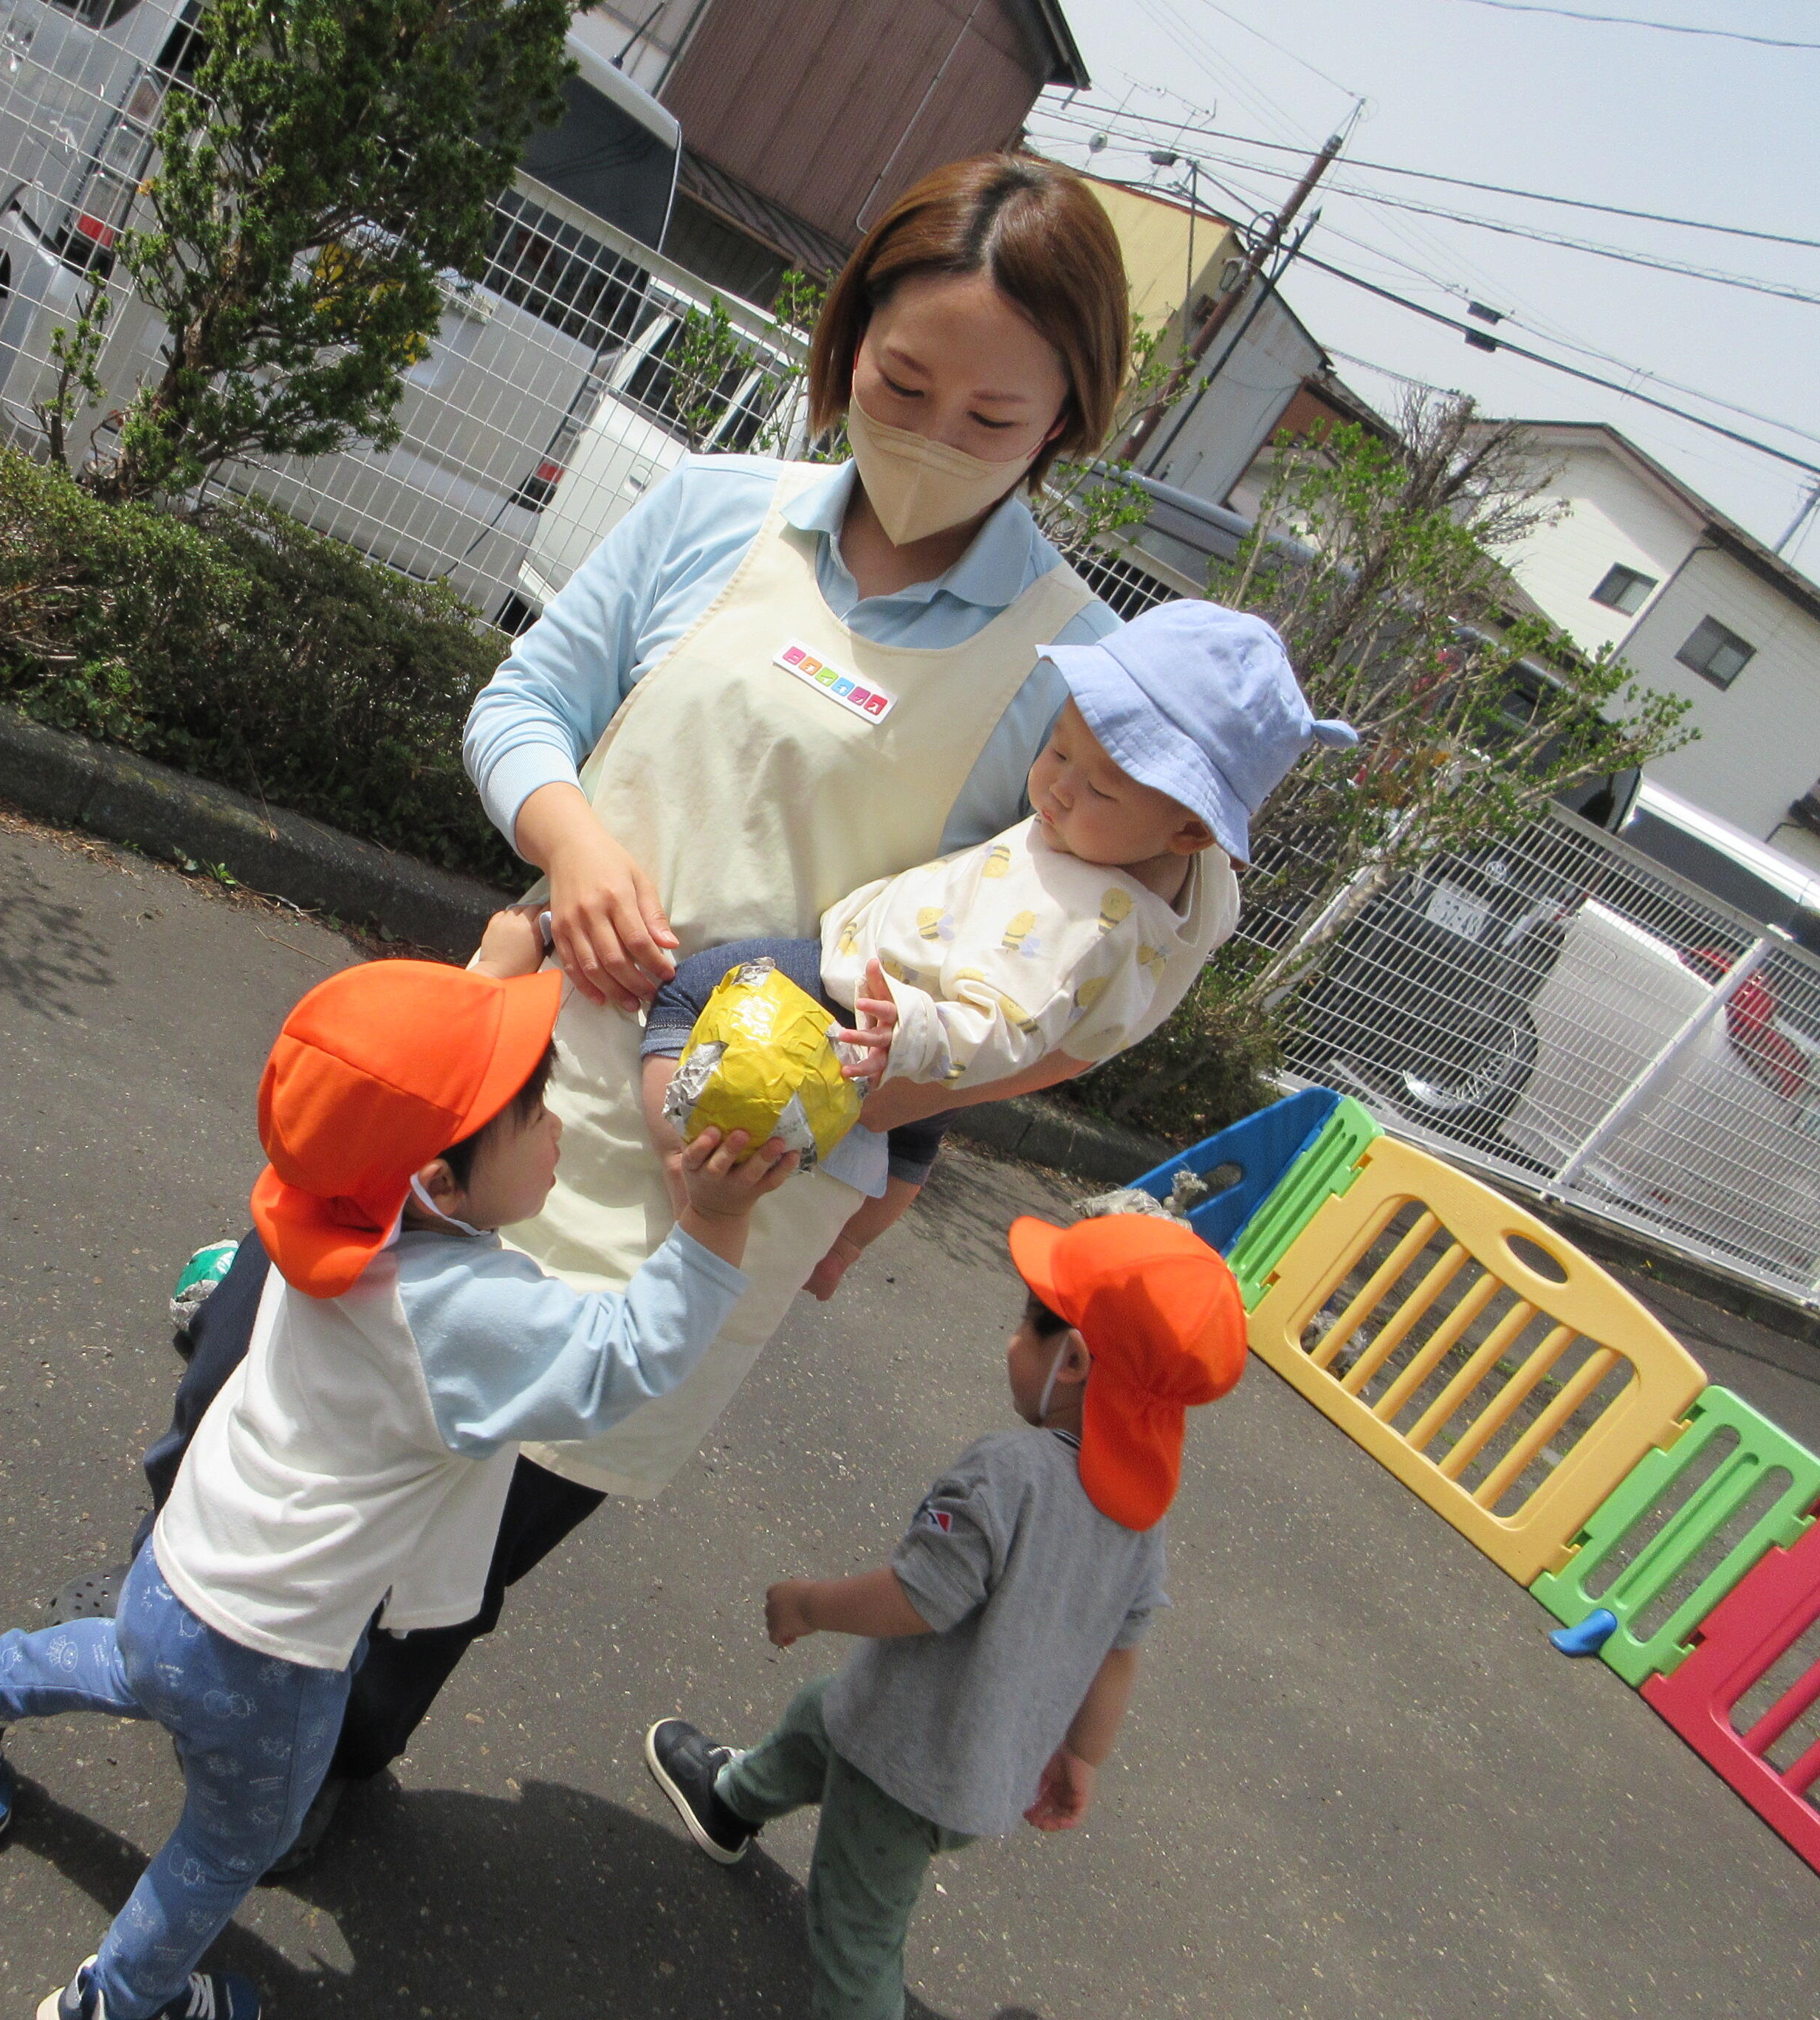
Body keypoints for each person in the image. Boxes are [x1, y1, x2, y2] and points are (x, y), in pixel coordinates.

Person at [63, 151, 1155, 1865]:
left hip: (734, 1170)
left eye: (994, 412)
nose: (934, 429)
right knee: (281, 1392)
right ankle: (163, 1644)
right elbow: (526, 703)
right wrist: (571, 844)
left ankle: (321, 1775)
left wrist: (905, 1132)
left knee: (488, 1524)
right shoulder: (719, 509)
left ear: (1070, 417)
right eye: (899, 379)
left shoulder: (1080, 675)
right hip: (509, 1055)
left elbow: (1040, 973)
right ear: (845, 338)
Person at [0, 961, 794, 2020]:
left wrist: (503, 956)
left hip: (185, 1567)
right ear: (438, 1186)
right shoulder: (459, 1311)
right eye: (538, 1112)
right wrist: (715, 1219)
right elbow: (625, 1357)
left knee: (133, 1666)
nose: (563, 1130)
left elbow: (392, 1083)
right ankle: (120, 1999)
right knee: (236, 1840)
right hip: (274, 1651)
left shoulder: (327, 1205)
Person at [507, 597, 1353, 1298]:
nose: (1056, 787)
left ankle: (676, 1152)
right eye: (1058, 749)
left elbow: (1001, 1024)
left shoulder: (1074, 912)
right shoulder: (1193, 883)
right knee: (915, 1144)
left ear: (1189, 824)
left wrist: (904, 1035)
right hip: (937, 1040)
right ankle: (844, 1249)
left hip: (883, 1002)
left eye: (1094, 785)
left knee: (699, 985)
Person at [641, 1212, 1249, 2020]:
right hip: (987, 1764)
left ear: (1070, 1361)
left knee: (855, 1937)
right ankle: (732, 1798)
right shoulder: (1141, 1522)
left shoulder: (1010, 1473)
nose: (1010, 1344)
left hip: (905, 1762)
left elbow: (920, 1599)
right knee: (820, 1716)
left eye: (1024, 1323)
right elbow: (1121, 1654)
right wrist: (1081, 1758)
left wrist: (810, 1603)